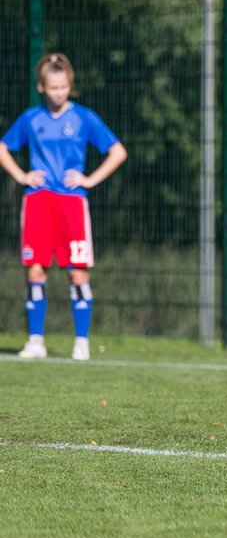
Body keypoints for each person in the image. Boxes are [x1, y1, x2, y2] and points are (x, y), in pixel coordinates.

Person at [0, 53, 127, 361]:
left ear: (71, 86)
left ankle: (81, 342)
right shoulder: (31, 119)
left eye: (64, 87)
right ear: (41, 87)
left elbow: (117, 151)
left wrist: (90, 179)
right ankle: (35, 341)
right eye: (53, 87)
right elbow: (3, 148)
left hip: (71, 203)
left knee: (77, 272)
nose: (59, 92)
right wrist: (22, 175)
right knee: (35, 269)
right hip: (38, 201)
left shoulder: (84, 118)